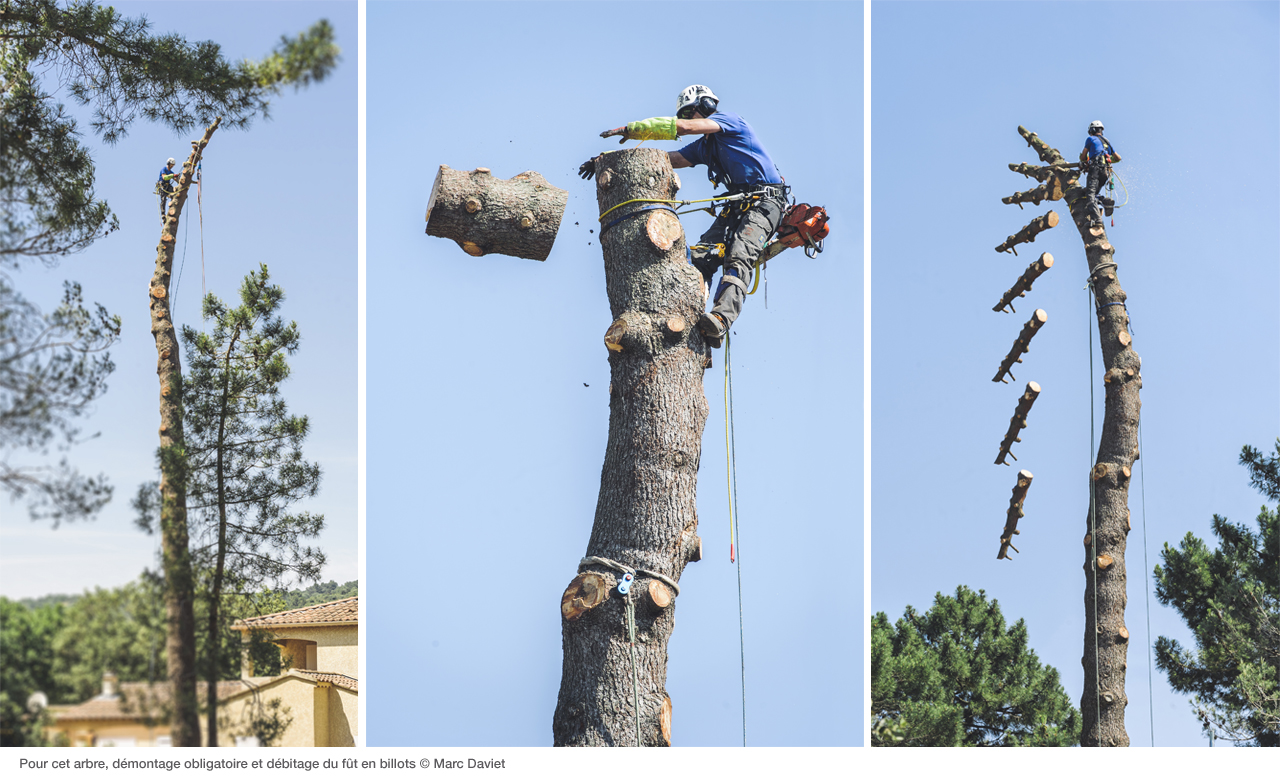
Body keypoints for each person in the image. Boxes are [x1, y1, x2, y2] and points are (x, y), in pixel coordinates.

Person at [580, 85, 787, 347]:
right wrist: (609, 161)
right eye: (687, 113)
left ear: (710, 106)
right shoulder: (705, 147)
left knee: (739, 254)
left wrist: (632, 130)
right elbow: (669, 159)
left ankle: (721, 320)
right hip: (738, 205)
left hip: (766, 203)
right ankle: (688, 316)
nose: (692, 117)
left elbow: (685, 129)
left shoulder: (731, 122)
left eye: (695, 110)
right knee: (698, 257)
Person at [1079, 121, 1120, 227]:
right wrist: (1108, 160)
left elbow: (1083, 157)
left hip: (1095, 169)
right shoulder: (1107, 142)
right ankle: (1105, 201)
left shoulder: (1090, 139)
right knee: (1094, 193)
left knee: (1090, 196)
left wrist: (1084, 162)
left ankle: (1097, 220)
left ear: (1091, 130)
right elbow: (1118, 158)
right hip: (1105, 172)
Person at [157, 157, 178, 222]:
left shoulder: (170, 171)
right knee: (163, 199)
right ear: (168, 163)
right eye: (171, 165)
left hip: (168, 186)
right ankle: (163, 214)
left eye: (173, 165)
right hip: (162, 186)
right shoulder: (164, 169)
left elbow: (175, 178)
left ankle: (172, 208)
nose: (172, 166)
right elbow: (164, 177)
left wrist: (178, 178)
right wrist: (172, 175)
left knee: (175, 194)